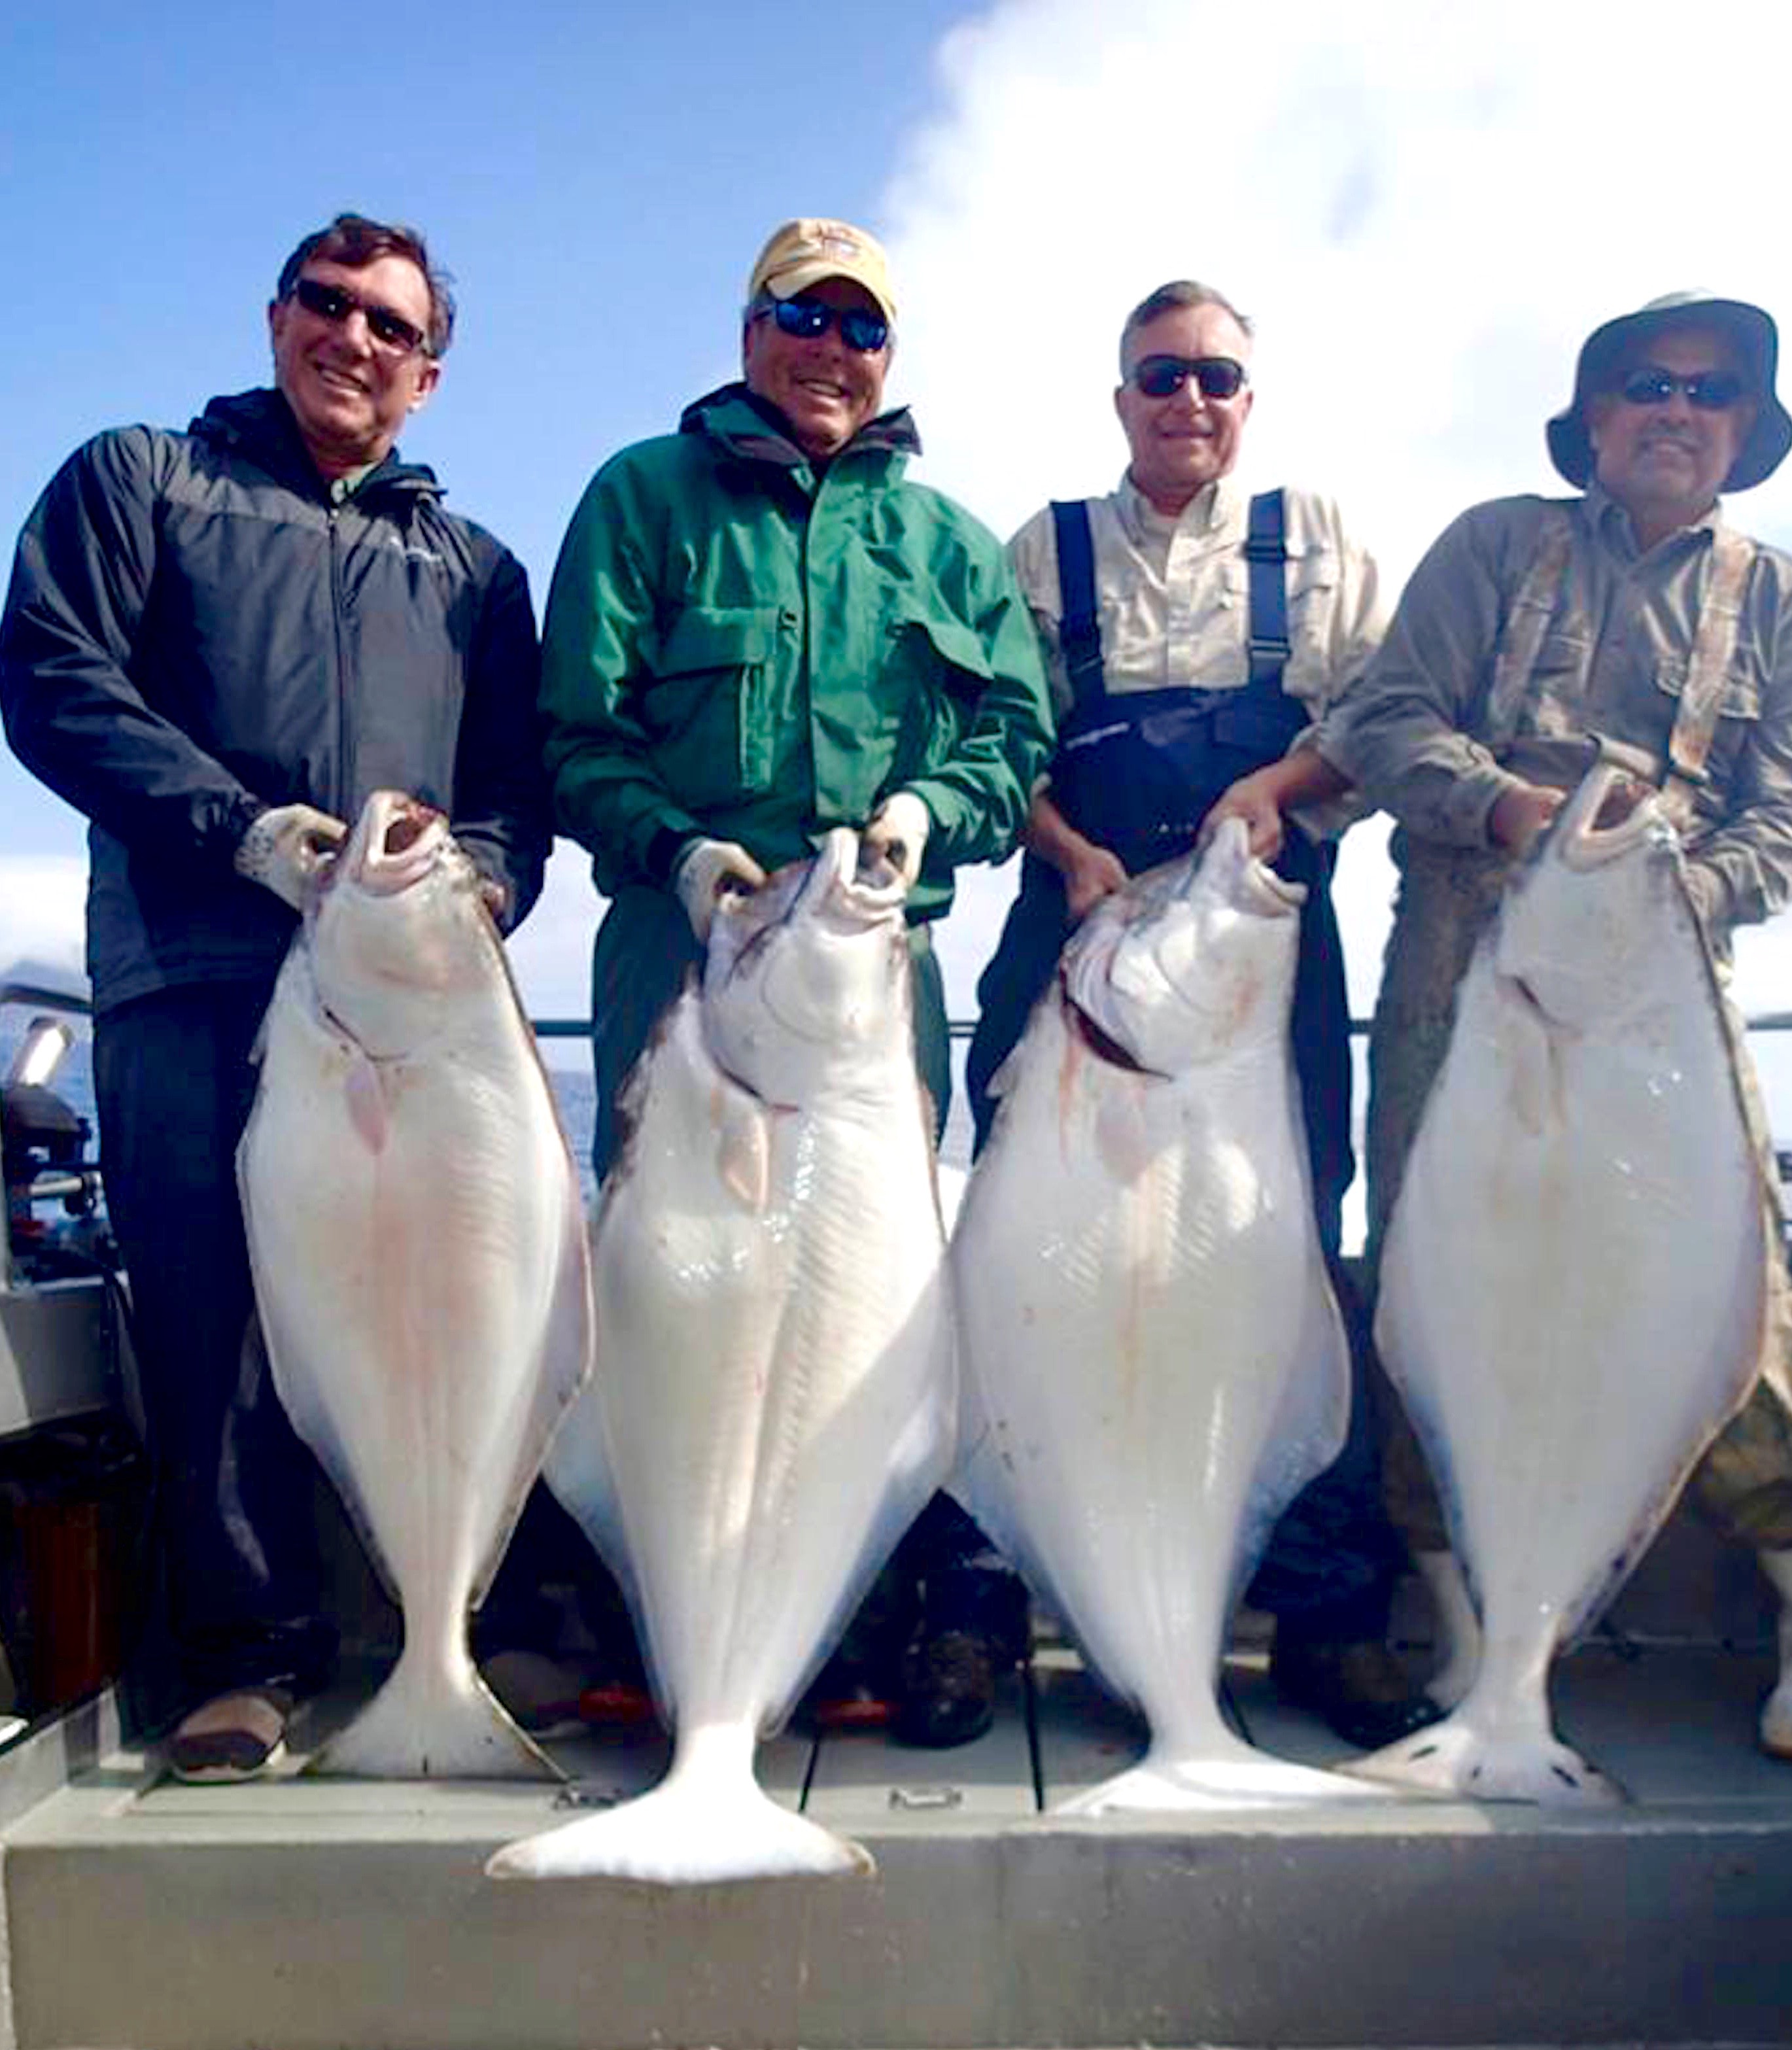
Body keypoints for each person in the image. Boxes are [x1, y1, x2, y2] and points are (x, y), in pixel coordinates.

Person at [0, 213, 550, 1780]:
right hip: (196, 971)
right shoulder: (140, 480)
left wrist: (482, 886)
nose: (354, 341)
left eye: (392, 328)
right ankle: (251, 1658)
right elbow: (52, 682)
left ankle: (455, 1618)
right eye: (329, 306)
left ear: (429, 374)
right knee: (210, 1310)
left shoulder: (476, 570)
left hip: (417, 1006)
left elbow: (517, 789)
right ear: (275, 315)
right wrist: (240, 833)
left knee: (461, 1307)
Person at [1320, 290, 1792, 1760]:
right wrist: (1507, 808)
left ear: (1743, 431)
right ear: (1594, 420)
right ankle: (1477, 1646)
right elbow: (1381, 719)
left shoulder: (1791, 606)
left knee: (1739, 1312)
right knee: (1435, 1300)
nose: (1678, 410)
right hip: (1459, 974)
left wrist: (1661, 894)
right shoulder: (1493, 546)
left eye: (1712, 393)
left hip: (1661, 995)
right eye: (1648, 385)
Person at [536, 218, 1055, 1743]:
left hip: (873, 981)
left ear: (889, 356)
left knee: (864, 1311)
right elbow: (578, 732)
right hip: (679, 969)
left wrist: (922, 818)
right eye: (799, 316)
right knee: (670, 1302)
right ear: (749, 328)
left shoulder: (948, 540)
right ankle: (663, 1631)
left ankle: (839, 1631)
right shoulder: (644, 498)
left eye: (861, 326)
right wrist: (680, 852)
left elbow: (1011, 740)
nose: (831, 348)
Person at [964, 280, 1439, 1750]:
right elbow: (992, 737)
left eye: (1217, 378)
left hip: (1253, 961)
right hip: (1079, 939)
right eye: (1159, 377)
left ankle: (1321, 1611)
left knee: (1289, 1260)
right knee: (1011, 1255)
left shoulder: (1328, 544)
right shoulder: (1041, 549)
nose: (1189, 401)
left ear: (1250, 398)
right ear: (1119, 400)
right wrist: (1069, 856)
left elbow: (1380, 718)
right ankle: (979, 1598)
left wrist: (1275, 794)